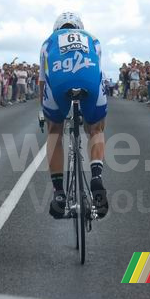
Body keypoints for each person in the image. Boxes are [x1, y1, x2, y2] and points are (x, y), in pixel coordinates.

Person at [40, 12, 109, 219]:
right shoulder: (92, 38)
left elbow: (43, 81)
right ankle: (96, 177)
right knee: (96, 128)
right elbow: (97, 69)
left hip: (59, 84)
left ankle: (59, 192)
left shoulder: (47, 43)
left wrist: (43, 113)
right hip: (89, 82)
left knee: (54, 133)